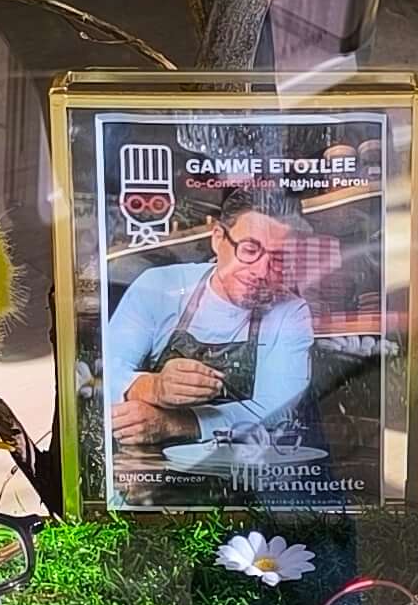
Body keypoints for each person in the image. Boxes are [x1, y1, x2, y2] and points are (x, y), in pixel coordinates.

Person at [101, 189, 316, 499]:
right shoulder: (159, 287)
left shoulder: (290, 311)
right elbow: (102, 374)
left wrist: (173, 423)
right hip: (149, 478)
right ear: (217, 238)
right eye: (250, 249)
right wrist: (154, 387)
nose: (261, 271)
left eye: (279, 258)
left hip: (247, 483)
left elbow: (275, 409)